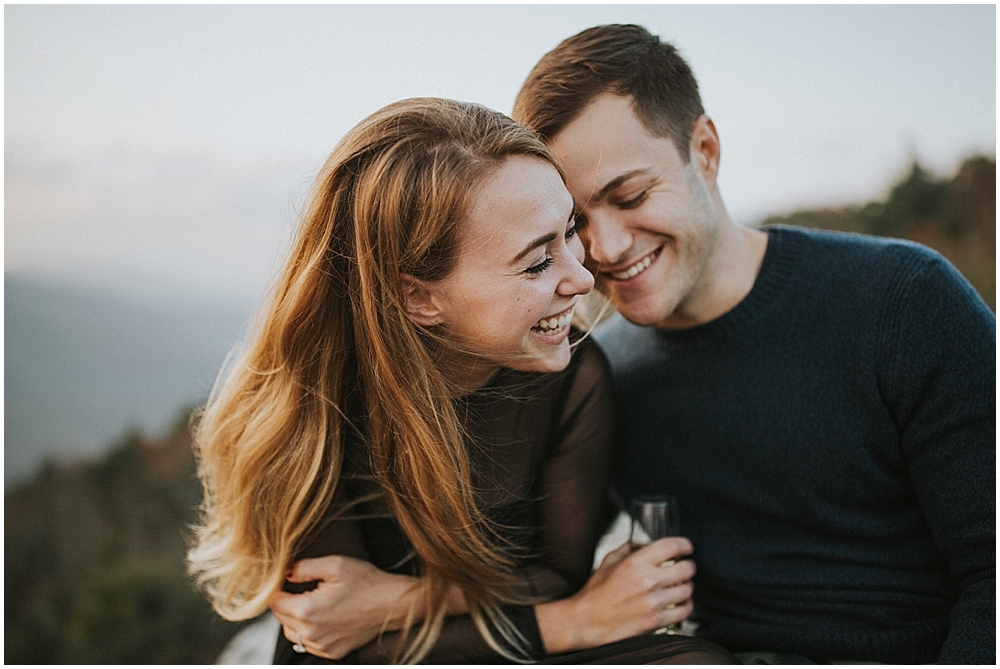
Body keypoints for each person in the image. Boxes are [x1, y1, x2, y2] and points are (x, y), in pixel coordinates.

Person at [187, 97, 735, 664]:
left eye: (568, 230)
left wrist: (400, 601)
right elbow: (334, 639)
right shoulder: (306, 409)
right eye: (535, 262)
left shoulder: (573, 376)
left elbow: (557, 577)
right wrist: (569, 627)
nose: (581, 274)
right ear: (419, 296)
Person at [512, 23, 995, 664]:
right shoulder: (600, 373)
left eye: (630, 196)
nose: (606, 249)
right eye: (575, 224)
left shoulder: (905, 301)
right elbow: (538, 571)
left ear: (705, 150)